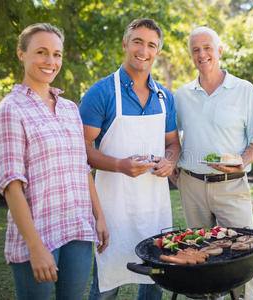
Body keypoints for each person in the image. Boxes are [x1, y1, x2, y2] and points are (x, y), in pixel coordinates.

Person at [0, 23, 108, 300]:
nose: (50, 61)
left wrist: (99, 216)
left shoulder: (70, 109)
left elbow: (82, 168)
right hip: (38, 233)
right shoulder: (10, 109)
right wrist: (35, 247)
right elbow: (11, 185)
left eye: (57, 54)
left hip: (78, 228)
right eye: (41, 52)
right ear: (22, 54)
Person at [79, 18, 180, 299]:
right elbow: (80, 148)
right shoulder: (101, 92)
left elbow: (173, 143)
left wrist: (170, 161)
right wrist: (120, 165)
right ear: (125, 44)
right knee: (107, 282)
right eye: (137, 41)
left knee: (155, 281)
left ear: (157, 52)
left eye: (151, 45)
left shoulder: (164, 97)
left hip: (155, 208)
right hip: (112, 208)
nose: (143, 50)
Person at [172, 26, 253, 300]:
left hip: (232, 186)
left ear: (220, 50)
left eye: (207, 48)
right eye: (196, 50)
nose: (202, 54)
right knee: (200, 252)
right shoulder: (182, 95)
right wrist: (175, 169)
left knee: (241, 253)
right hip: (192, 186)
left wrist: (243, 162)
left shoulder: (244, 90)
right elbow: (172, 138)